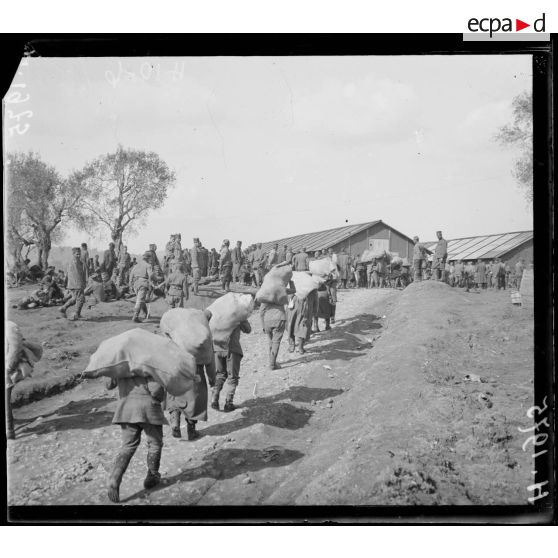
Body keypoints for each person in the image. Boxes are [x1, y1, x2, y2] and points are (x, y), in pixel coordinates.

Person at [104, 374, 166, 503]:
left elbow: (109, 384)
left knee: (128, 446)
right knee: (155, 443)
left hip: (126, 408)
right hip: (149, 408)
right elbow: (155, 389)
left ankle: (115, 478)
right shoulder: (146, 358)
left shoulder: (120, 361)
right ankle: (152, 476)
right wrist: (161, 398)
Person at [211, 317, 252, 412]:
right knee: (233, 377)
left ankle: (214, 399)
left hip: (217, 348)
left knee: (220, 374)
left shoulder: (216, 313)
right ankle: (228, 403)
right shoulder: (236, 311)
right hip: (232, 348)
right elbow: (248, 329)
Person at [59, 247, 87, 321]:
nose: (79, 255)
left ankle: (63, 308)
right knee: (81, 299)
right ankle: (76, 314)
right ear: (73, 254)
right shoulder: (74, 263)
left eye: (79, 254)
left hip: (73, 284)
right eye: (77, 254)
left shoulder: (77, 262)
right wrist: (81, 284)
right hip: (76, 284)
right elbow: (76, 275)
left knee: (75, 299)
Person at [260, 300, 287, 370]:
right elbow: (293, 291)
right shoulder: (280, 295)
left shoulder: (265, 297)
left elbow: (261, 312)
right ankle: (272, 364)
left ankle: (271, 361)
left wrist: (263, 325)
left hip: (267, 320)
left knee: (270, 342)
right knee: (276, 342)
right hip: (279, 319)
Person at [129, 251, 153, 322]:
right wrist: (151, 283)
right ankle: (135, 316)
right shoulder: (148, 265)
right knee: (140, 300)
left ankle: (145, 313)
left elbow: (131, 275)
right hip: (143, 283)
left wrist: (130, 284)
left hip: (135, 284)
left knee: (141, 299)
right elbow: (150, 275)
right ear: (148, 258)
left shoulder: (136, 266)